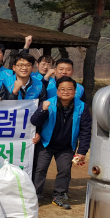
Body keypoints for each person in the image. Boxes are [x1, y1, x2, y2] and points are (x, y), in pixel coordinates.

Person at [30, 76, 91, 209]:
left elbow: (86, 130)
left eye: (69, 89)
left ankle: (59, 195)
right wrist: (43, 110)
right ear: (57, 91)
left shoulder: (82, 107)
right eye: (62, 89)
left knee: (64, 170)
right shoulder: (48, 103)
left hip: (67, 146)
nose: (65, 92)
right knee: (40, 169)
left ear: (75, 91)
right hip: (46, 143)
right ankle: (35, 195)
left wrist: (82, 151)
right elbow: (35, 122)